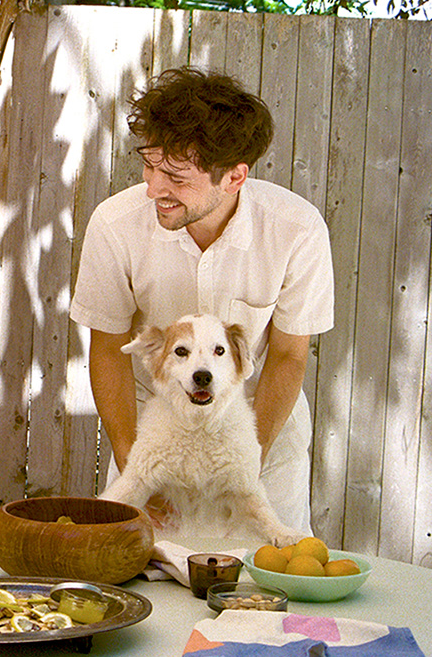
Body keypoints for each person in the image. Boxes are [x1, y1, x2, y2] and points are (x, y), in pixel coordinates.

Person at [70, 67, 334, 536]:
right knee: (140, 581)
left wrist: (247, 462)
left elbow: (290, 356)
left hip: (258, 437)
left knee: (265, 583)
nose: (153, 188)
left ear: (234, 176)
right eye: (149, 166)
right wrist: (139, 470)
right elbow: (108, 350)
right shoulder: (115, 225)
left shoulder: (297, 230)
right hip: (155, 439)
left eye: (174, 175)